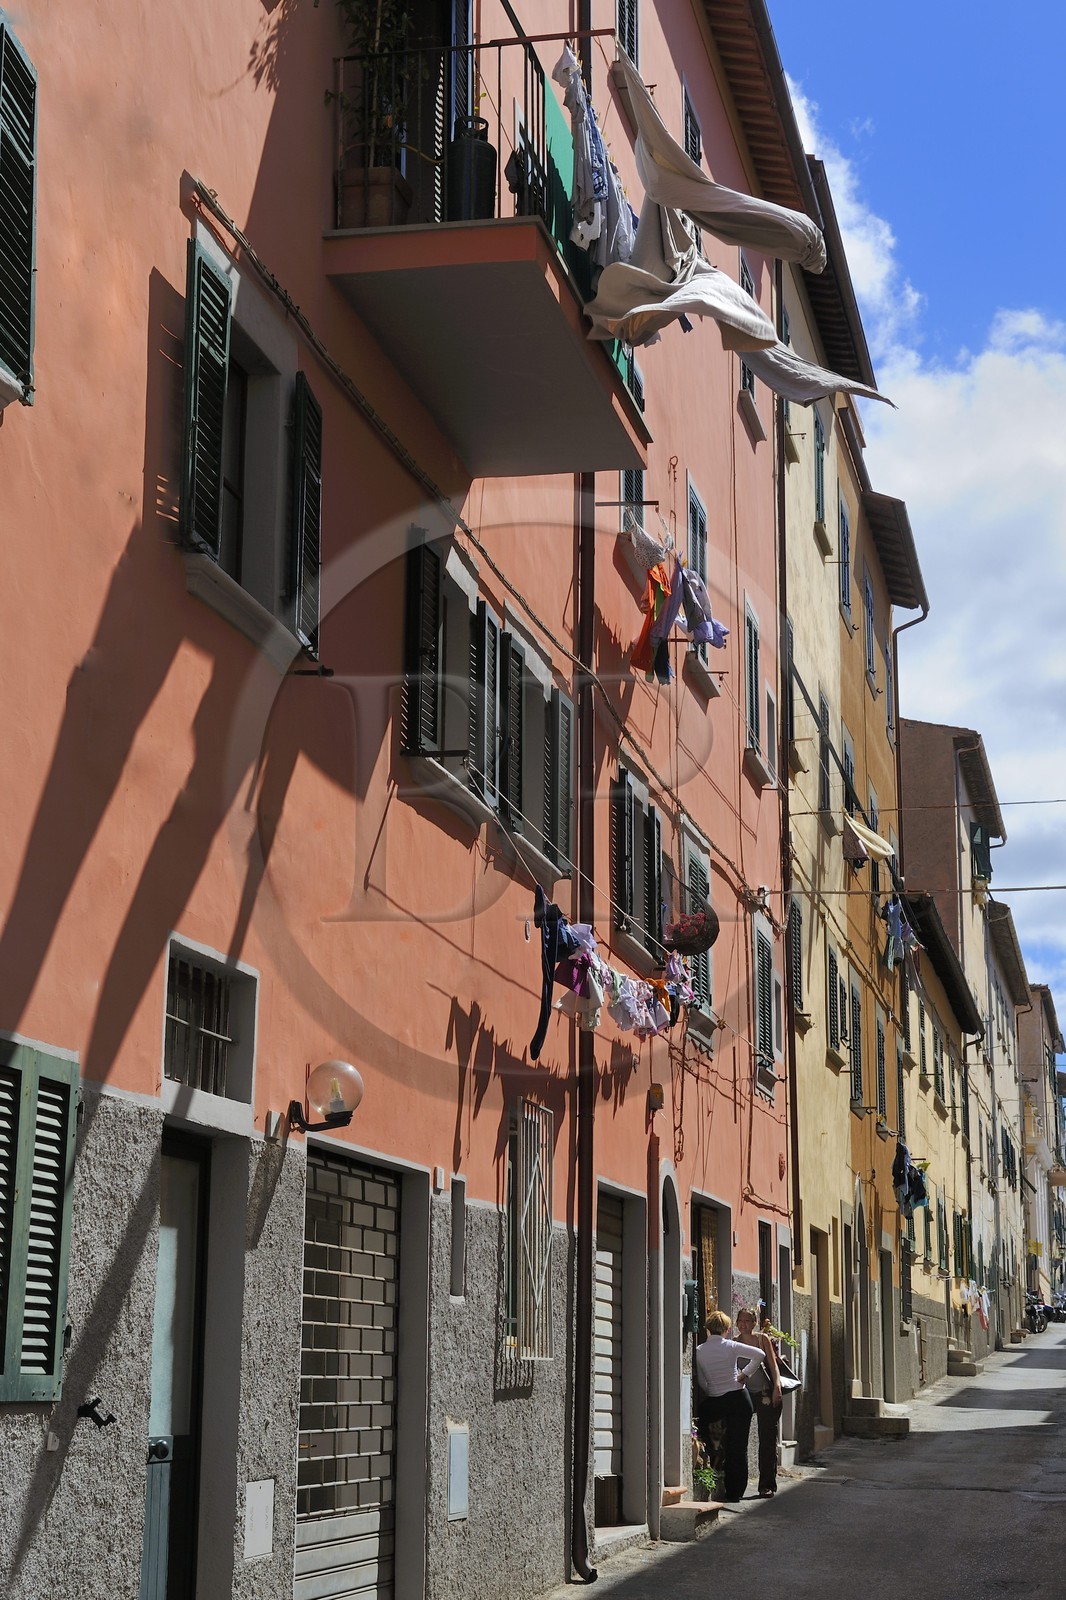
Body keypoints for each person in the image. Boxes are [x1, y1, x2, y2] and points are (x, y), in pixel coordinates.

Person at [694, 1309, 765, 1502]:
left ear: (708, 1329)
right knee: (738, 1447)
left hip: (715, 1401)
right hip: (739, 1399)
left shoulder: (699, 1351)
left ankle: (707, 1471)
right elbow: (759, 1354)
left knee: (710, 1439)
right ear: (726, 1329)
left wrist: (714, 1391)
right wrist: (744, 1375)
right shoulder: (731, 1346)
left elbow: (702, 1382)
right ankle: (735, 1492)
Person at [735, 1305, 783, 1497]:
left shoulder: (761, 1340)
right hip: (745, 1395)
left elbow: (773, 1365)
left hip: (765, 1393)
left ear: (754, 1323)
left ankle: (766, 1484)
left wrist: (777, 1387)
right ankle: (738, 1484)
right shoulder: (734, 1343)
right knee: (740, 1437)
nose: (743, 1324)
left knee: (767, 1439)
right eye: (740, 1321)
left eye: (747, 1321)